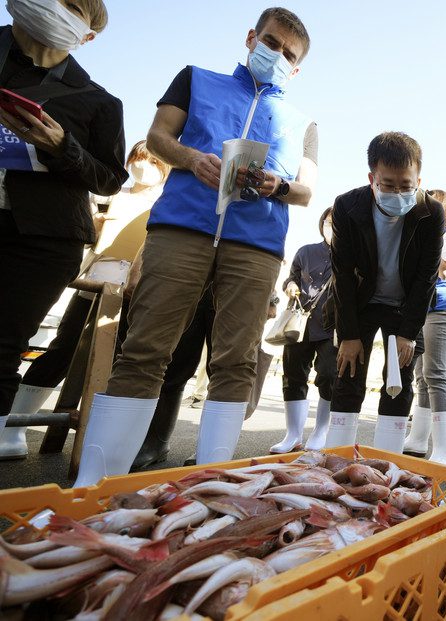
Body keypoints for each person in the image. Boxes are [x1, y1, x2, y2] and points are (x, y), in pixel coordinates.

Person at [72, 7, 318, 487]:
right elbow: (158, 137)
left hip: (257, 243)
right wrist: (191, 158)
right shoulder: (196, 79)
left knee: (235, 362)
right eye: (271, 43)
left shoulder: (303, 121)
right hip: (182, 227)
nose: (277, 55)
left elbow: (307, 190)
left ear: (298, 67)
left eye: (289, 54)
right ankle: (97, 485)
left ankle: (214, 487)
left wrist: (277, 185)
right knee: (144, 349)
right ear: (251, 38)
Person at [0, 0, 126, 446]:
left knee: (5, 343)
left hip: (42, 236)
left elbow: (110, 178)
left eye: (71, 5)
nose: (54, 6)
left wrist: (62, 146)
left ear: (86, 35)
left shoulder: (97, 101)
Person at [0, 139, 166, 459]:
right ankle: (13, 428)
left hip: (137, 286)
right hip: (94, 278)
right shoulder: (112, 195)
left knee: (123, 360)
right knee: (64, 349)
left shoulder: (166, 203)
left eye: (153, 162)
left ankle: (108, 441)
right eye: (137, 158)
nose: (142, 166)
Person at [325, 132, 444, 452]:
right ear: (371, 178)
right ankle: (337, 459)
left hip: (404, 307)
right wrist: (348, 335)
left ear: (419, 179)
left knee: (399, 381)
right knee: (347, 376)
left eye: (407, 185)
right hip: (362, 303)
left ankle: (389, 462)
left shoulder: (431, 212)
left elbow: (426, 278)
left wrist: (408, 332)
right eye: (388, 184)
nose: (398, 192)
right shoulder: (347, 205)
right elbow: (343, 276)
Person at [403, 190, 446, 465]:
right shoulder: (425, 234)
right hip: (424, 307)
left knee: (436, 373)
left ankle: (443, 449)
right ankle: (418, 438)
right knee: (422, 375)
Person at [271, 207, 336, 453]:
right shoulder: (306, 251)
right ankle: (293, 435)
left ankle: (321, 431)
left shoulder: (351, 255)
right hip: (300, 322)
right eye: (329, 221)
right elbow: (291, 277)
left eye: (338, 223)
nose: (332, 227)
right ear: (322, 223)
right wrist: (289, 286)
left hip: (332, 325)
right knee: (293, 375)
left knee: (329, 375)